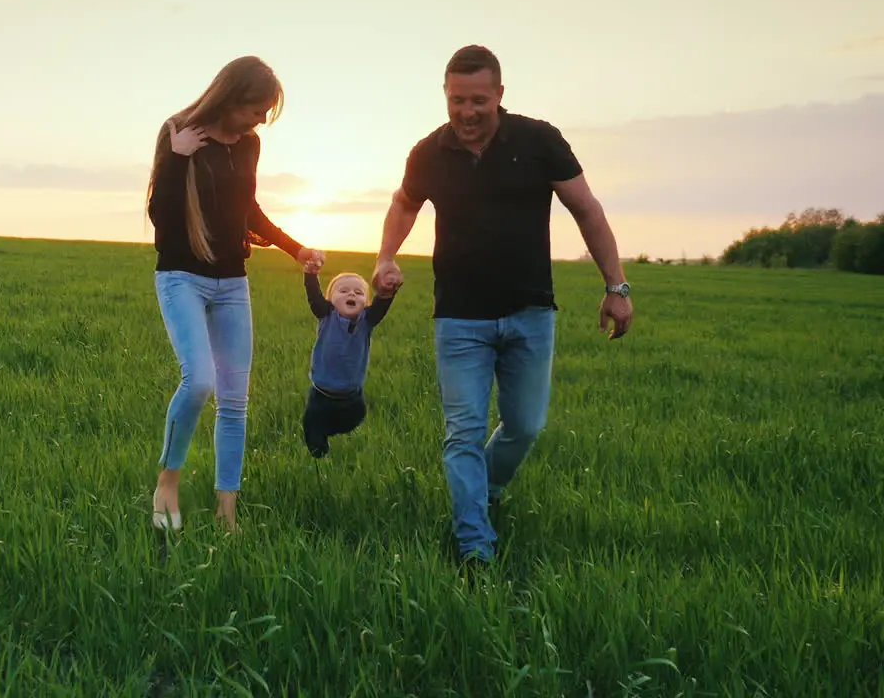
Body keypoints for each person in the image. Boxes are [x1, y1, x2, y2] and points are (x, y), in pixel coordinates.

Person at [372, 45, 634, 566]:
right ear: (445, 97)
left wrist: (617, 286)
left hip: (530, 312)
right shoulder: (429, 152)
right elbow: (404, 203)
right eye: (456, 101)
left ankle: (483, 491)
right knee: (463, 432)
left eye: (478, 101)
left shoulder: (539, 142)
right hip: (459, 317)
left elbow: (586, 209)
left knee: (525, 425)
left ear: (499, 95)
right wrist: (384, 257)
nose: (467, 112)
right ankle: (475, 544)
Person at [146, 55, 325, 534]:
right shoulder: (178, 132)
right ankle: (168, 480)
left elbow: (248, 208)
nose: (260, 120)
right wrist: (178, 156)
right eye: (255, 109)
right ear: (230, 97)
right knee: (200, 379)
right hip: (181, 275)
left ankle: (228, 514)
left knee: (234, 400)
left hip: (232, 282)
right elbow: (161, 217)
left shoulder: (249, 145)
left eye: (266, 112)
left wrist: (295, 247)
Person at [300, 266, 397, 458]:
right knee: (312, 430)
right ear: (331, 300)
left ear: (366, 302)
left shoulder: (367, 320)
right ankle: (319, 456)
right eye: (343, 291)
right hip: (320, 394)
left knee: (355, 419)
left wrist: (387, 291)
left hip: (352, 396)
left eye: (359, 292)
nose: (351, 293)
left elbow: (380, 307)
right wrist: (310, 274)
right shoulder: (326, 315)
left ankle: (332, 431)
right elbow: (314, 297)